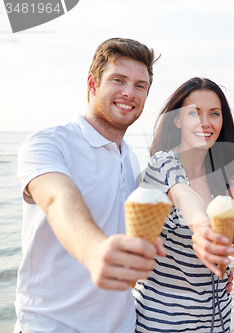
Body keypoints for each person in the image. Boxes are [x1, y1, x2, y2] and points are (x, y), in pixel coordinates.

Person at [15, 38, 161, 332]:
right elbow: (58, 198)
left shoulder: (131, 158)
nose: (129, 93)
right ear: (92, 84)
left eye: (140, 85)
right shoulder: (49, 143)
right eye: (118, 80)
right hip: (52, 324)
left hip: (122, 324)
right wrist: (94, 251)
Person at [134, 77, 234, 332]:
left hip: (217, 319)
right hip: (164, 321)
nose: (205, 122)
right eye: (194, 113)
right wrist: (202, 229)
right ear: (178, 119)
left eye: (214, 114)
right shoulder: (162, 165)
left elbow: (230, 243)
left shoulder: (223, 177)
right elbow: (184, 197)